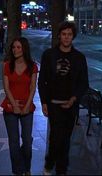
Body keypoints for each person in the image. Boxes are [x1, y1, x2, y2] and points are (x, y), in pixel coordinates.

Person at [38, 21, 89, 175]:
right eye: (64, 34)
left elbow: (84, 83)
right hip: (54, 104)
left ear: (73, 36)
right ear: (59, 35)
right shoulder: (49, 55)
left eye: (69, 34)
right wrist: (44, 102)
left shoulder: (79, 58)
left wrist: (74, 98)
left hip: (71, 105)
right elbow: (42, 80)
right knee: (55, 136)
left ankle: (61, 168)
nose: (66, 37)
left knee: (66, 138)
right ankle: (49, 163)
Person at [1, 37, 38, 175]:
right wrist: (14, 105)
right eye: (13, 47)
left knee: (27, 141)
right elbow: (6, 87)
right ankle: (17, 171)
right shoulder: (7, 65)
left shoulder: (32, 66)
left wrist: (27, 105)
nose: (15, 50)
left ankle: (26, 168)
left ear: (24, 49)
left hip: (27, 107)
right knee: (14, 142)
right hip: (10, 107)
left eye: (18, 47)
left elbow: (33, 87)